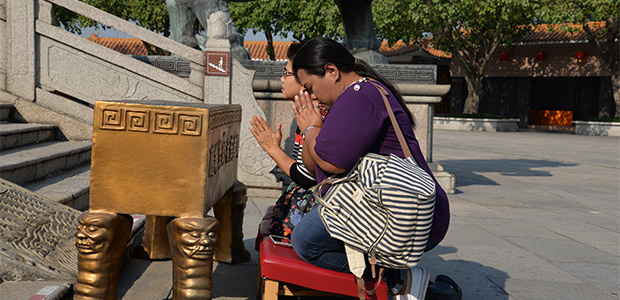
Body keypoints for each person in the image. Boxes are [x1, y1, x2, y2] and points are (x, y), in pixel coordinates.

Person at [289, 37, 450, 294]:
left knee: (306, 241)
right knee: (301, 230)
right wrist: (310, 127)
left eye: (310, 86)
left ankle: (397, 281)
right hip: (374, 205)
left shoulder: (360, 96)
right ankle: (392, 275)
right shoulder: (344, 99)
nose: (310, 95)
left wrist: (310, 127)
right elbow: (312, 165)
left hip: (403, 213)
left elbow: (330, 161)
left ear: (331, 71)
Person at [249, 42, 324, 237]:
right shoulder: (306, 112)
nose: (281, 79)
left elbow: (308, 178)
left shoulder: (317, 115)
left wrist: (273, 149)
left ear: (305, 80)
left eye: (286, 73)